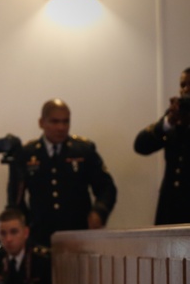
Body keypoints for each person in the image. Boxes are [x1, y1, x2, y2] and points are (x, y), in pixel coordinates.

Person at [7, 98, 117, 246]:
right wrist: (26, 227)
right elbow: (15, 198)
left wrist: (99, 212)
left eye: (66, 122)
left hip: (79, 234)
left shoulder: (83, 150)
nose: (61, 127)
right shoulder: (26, 154)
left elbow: (107, 187)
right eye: (54, 121)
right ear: (41, 123)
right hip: (40, 236)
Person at [134, 66, 190, 225]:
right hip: (170, 210)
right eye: (182, 85)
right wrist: (168, 123)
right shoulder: (173, 118)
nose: (186, 90)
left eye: (189, 85)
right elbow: (140, 145)